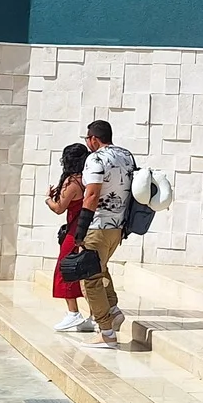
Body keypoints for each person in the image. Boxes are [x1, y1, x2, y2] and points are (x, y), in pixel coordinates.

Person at [74, 119, 135, 349]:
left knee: (89, 278)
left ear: (93, 139)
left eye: (87, 139)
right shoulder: (126, 155)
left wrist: (80, 230)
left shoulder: (95, 158)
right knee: (101, 268)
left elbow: (92, 194)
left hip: (97, 226)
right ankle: (113, 310)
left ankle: (107, 332)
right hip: (118, 227)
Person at [46, 143, 92, 332]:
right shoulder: (89, 179)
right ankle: (95, 316)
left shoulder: (72, 183)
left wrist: (48, 199)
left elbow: (59, 209)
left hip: (74, 232)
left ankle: (73, 313)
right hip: (89, 229)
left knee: (64, 269)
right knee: (87, 272)